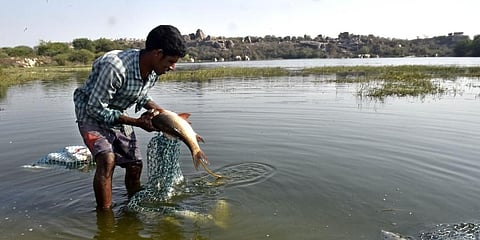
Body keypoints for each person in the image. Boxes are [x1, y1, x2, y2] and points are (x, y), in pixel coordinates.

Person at [73, 25, 187, 210]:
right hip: (90, 114)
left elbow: (140, 96)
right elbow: (95, 109)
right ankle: (105, 217)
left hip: (117, 112)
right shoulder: (115, 67)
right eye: (171, 61)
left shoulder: (153, 71)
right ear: (157, 53)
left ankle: (133, 208)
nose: (172, 67)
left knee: (134, 165)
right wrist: (137, 122)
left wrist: (164, 114)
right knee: (107, 160)